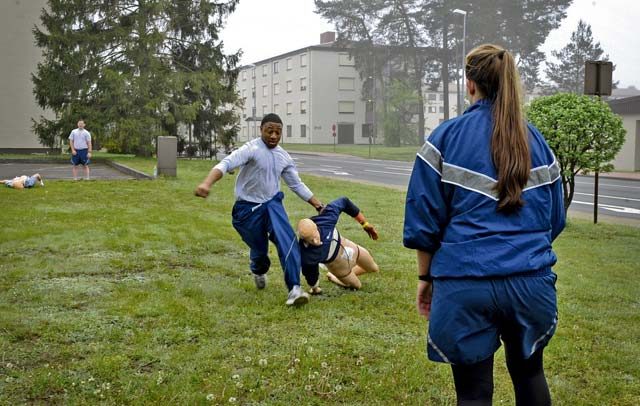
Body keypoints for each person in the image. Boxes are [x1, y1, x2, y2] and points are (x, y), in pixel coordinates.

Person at [403, 44, 565, 406]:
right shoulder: (538, 142)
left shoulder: (444, 138)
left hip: (465, 286)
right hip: (531, 286)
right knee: (530, 375)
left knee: (473, 393)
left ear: (470, 84)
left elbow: (423, 219)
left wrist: (425, 279)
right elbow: (554, 220)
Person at [195, 113, 324, 306]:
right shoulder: (251, 149)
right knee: (260, 250)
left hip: (272, 204)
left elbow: (296, 184)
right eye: (269, 131)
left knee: (286, 239)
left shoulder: (283, 157)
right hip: (246, 210)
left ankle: (295, 289)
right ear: (261, 130)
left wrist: (318, 204)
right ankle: (258, 268)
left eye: (277, 132)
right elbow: (226, 163)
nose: (273, 135)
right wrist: (207, 183)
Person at [296, 197, 379, 293]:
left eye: (315, 236)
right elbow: (310, 273)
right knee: (357, 286)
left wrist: (364, 224)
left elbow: (344, 202)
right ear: (304, 240)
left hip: (352, 249)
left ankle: (343, 274)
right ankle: (334, 277)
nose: (315, 241)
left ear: (316, 226)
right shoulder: (307, 254)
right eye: (311, 240)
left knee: (374, 269)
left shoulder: (325, 220)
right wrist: (315, 288)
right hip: (340, 269)